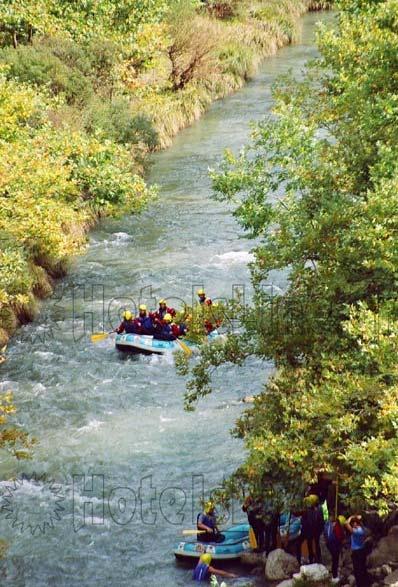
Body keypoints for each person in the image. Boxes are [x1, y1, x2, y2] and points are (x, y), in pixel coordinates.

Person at [345, 515, 371, 587]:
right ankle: (366, 583)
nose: (353, 524)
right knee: (362, 568)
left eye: (354, 522)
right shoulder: (362, 530)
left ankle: (361, 584)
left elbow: (346, 523)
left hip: (358, 552)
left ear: (357, 523)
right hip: (361, 551)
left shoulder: (357, 531)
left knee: (358, 570)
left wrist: (350, 517)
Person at [300, 494, 324, 563]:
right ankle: (311, 558)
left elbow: (320, 520)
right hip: (310, 530)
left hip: (316, 530)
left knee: (316, 544)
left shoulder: (319, 509)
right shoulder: (309, 509)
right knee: (310, 544)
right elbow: (304, 519)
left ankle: (318, 558)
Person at [324, 515, 346, 581]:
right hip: (335, 545)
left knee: (334, 559)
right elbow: (340, 537)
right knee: (335, 560)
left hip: (329, 544)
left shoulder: (327, 524)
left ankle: (334, 573)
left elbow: (325, 534)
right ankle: (334, 575)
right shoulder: (337, 526)